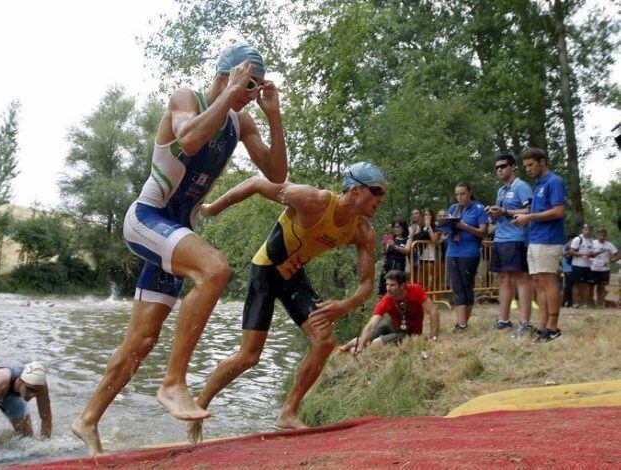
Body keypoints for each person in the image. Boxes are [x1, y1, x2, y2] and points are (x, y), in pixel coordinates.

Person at [72, 43, 288, 455]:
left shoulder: (240, 123)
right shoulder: (187, 98)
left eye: (255, 86)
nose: (249, 93)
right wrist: (228, 95)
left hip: (175, 230)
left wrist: (273, 116)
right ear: (224, 75)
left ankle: (87, 419)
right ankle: (173, 383)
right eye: (246, 83)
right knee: (215, 269)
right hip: (147, 218)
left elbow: (277, 174)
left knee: (143, 339)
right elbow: (188, 139)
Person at [191, 161, 382, 434]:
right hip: (266, 271)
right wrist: (211, 209)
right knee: (249, 356)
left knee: (324, 341)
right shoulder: (313, 200)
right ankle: (199, 405)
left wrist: (345, 305)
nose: (380, 199)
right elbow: (256, 184)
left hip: (293, 275)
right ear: (354, 190)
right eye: (376, 191)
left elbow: (366, 284)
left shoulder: (362, 232)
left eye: (383, 193)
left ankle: (288, 412)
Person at [512, 147, 566, 341]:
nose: (528, 169)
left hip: (549, 239)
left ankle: (553, 327)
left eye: (531, 165)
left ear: (542, 162)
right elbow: (537, 211)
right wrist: (521, 216)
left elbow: (559, 211)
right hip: (535, 239)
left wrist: (531, 217)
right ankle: (542, 324)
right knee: (538, 282)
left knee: (548, 281)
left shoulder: (554, 181)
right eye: (525, 166)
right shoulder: (538, 184)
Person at [485, 154, 534, 337]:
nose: (499, 170)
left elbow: (530, 211)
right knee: (504, 279)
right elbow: (502, 214)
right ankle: (504, 320)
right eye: (497, 167)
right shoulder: (501, 190)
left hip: (517, 238)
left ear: (513, 167)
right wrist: (493, 214)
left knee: (521, 278)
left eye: (503, 166)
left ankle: (525, 323)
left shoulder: (521, 186)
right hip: (500, 238)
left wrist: (505, 211)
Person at [340, 270, 439, 353]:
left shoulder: (415, 290)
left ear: (402, 285)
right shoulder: (386, 300)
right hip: (391, 324)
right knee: (364, 339)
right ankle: (345, 348)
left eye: (392, 285)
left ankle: (355, 349)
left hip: (409, 332)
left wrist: (433, 337)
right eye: (387, 284)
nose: (388, 288)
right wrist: (361, 346)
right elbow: (371, 325)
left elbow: (433, 311)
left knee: (375, 343)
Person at [446, 182, 489, 330]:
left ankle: (463, 323)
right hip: (452, 251)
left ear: (469, 193)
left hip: (469, 252)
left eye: (462, 193)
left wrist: (465, 227)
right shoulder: (453, 208)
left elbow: (483, 232)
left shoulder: (479, 208)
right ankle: (461, 324)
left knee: (466, 286)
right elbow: (446, 229)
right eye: (457, 194)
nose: (460, 197)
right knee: (456, 286)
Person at [379, 220, 410, 295]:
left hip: (399, 264)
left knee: (396, 283)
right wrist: (383, 245)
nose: (396, 229)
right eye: (395, 227)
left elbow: (406, 251)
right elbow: (383, 252)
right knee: (383, 283)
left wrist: (394, 246)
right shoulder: (389, 237)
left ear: (403, 228)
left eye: (398, 227)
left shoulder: (407, 239)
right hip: (388, 264)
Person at [590, 228, 619, 308]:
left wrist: (610, 261)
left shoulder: (609, 245)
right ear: (597, 235)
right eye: (600, 235)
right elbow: (587, 253)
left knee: (601, 287)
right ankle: (591, 303)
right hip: (593, 268)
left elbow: (618, 256)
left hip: (604, 269)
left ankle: (600, 303)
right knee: (591, 287)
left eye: (603, 235)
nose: (602, 237)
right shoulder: (592, 243)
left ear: (606, 236)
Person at [569, 224, 595, 308]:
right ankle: (575, 303)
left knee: (586, 285)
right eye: (586, 229)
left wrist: (592, 255)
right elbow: (571, 252)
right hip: (577, 265)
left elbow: (591, 252)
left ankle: (584, 304)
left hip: (588, 265)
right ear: (582, 230)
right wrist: (583, 254)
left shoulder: (591, 240)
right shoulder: (578, 239)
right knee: (577, 284)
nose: (588, 231)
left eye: (589, 230)